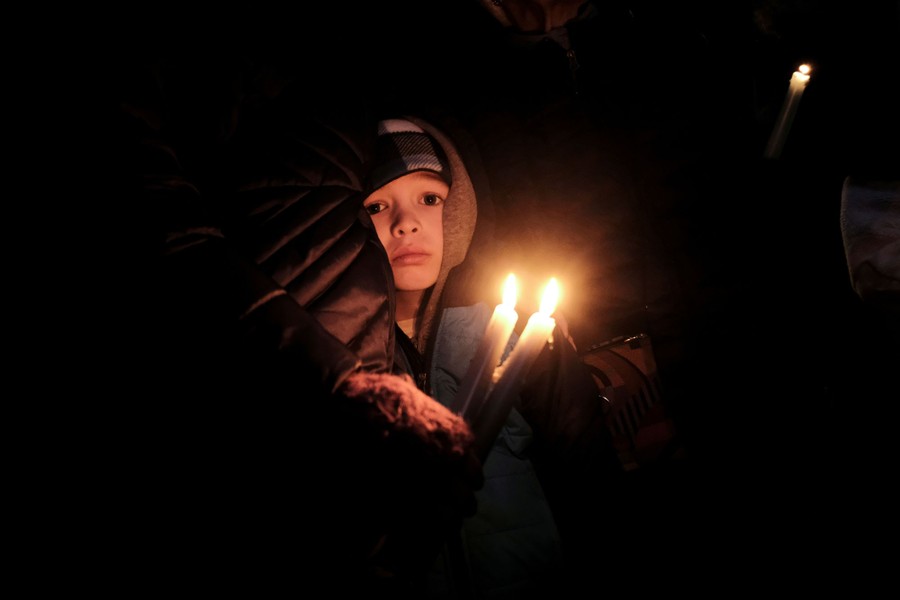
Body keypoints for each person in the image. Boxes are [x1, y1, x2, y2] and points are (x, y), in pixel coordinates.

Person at [362, 116, 623, 597]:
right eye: (377, 205)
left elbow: (582, 456)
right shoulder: (344, 345)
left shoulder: (515, 323)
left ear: (458, 205)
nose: (406, 222)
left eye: (429, 198)